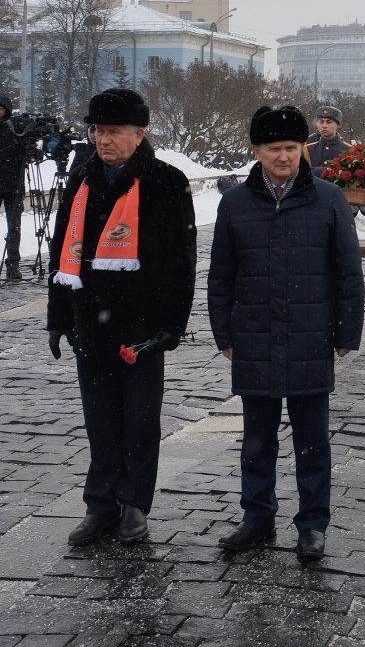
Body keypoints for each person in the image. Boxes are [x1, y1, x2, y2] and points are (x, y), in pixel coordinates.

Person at [208, 105, 365, 562]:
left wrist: (346, 333)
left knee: (312, 441)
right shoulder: (235, 201)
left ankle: (312, 523)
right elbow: (221, 274)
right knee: (257, 440)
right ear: (256, 151)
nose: (283, 157)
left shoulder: (329, 198)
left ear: (303, 149)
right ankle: (257, 516)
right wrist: (224, 333)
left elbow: (347, 273)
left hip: (310, 336)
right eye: (274, 148)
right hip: (254, 335)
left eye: (292, 148)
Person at [46, 88, 197, 546]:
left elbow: (181, 259)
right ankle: (100, 504)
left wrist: (172, 324)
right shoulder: (83, 179)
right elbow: (62, 248)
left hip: (141, 326)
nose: (102, 140)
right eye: (96, 130)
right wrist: (57, 316)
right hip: (90, 320)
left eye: (112, 131)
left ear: (139, 134)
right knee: (100, 418)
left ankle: (134, 504)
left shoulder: (166, 181)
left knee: (139, 420)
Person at [0, 93, 26, 281]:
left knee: (14, 227)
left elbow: (26, 152)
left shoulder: (15, 129)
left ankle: (13, 264)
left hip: (14, 185)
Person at [303, 105, 350, 176]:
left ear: (338, 125)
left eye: (329, 122)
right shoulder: (306, 150)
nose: (324, 126)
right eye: (321, 122)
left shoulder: (349, 150)